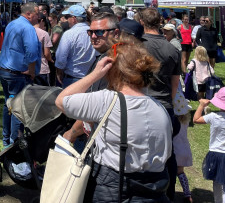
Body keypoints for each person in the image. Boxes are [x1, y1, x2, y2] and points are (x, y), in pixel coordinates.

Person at [55, 36, 171, 202]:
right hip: (155, 188)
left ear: (113, 70)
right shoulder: (159, 108)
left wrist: (95, 74)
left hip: (113, 188)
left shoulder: (106, 101)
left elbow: (61, 101)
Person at [140, 7, 182, 201]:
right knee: (168, 152)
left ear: (141, 22)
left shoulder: (137, 45)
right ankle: (169, 192)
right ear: (160, 23)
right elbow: (175, 83)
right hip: (165, 104)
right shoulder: (172, 49)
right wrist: (170, 103)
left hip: (142, 103)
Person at [62, 12, 120, 149]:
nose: (93, 37)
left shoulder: (111, 61)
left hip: (106, 140)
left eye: (100, 32)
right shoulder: (107, 56)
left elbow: (97, 108)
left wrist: (71, 134)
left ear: (115, 33)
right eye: (91, 32)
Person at [0, 2, 41, 146]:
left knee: (8, 104)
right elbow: (32, 52)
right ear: (29, 14)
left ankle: (6, 139)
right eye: (37, 13)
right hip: (17, 73)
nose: (39, 16)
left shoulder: (12, 24)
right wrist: (32, 71)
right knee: (18, 109)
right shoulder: (28, 28)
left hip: (5, 70)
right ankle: (14, 142)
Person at [55, 5, 96, 88]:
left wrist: (59, 72)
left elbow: (61, 58)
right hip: (91, 79)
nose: (66, 20)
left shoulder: (69, 34)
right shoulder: (94, 32)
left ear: (73, 18)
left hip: (73, 79)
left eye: (67, 17)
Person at [172, 82, 194, 203]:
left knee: (169, 172)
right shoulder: (185, 121)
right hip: (183, 149)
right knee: (180, 172)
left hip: (174, 149)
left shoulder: (172, 122)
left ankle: (168, 191)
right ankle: (187, 193)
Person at [33, 14, 53, 86]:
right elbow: (47, 53)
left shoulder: (26, 31)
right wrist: (51, 60)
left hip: (28, 68)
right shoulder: (44, 34)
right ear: (42, 21)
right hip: (42, 69)